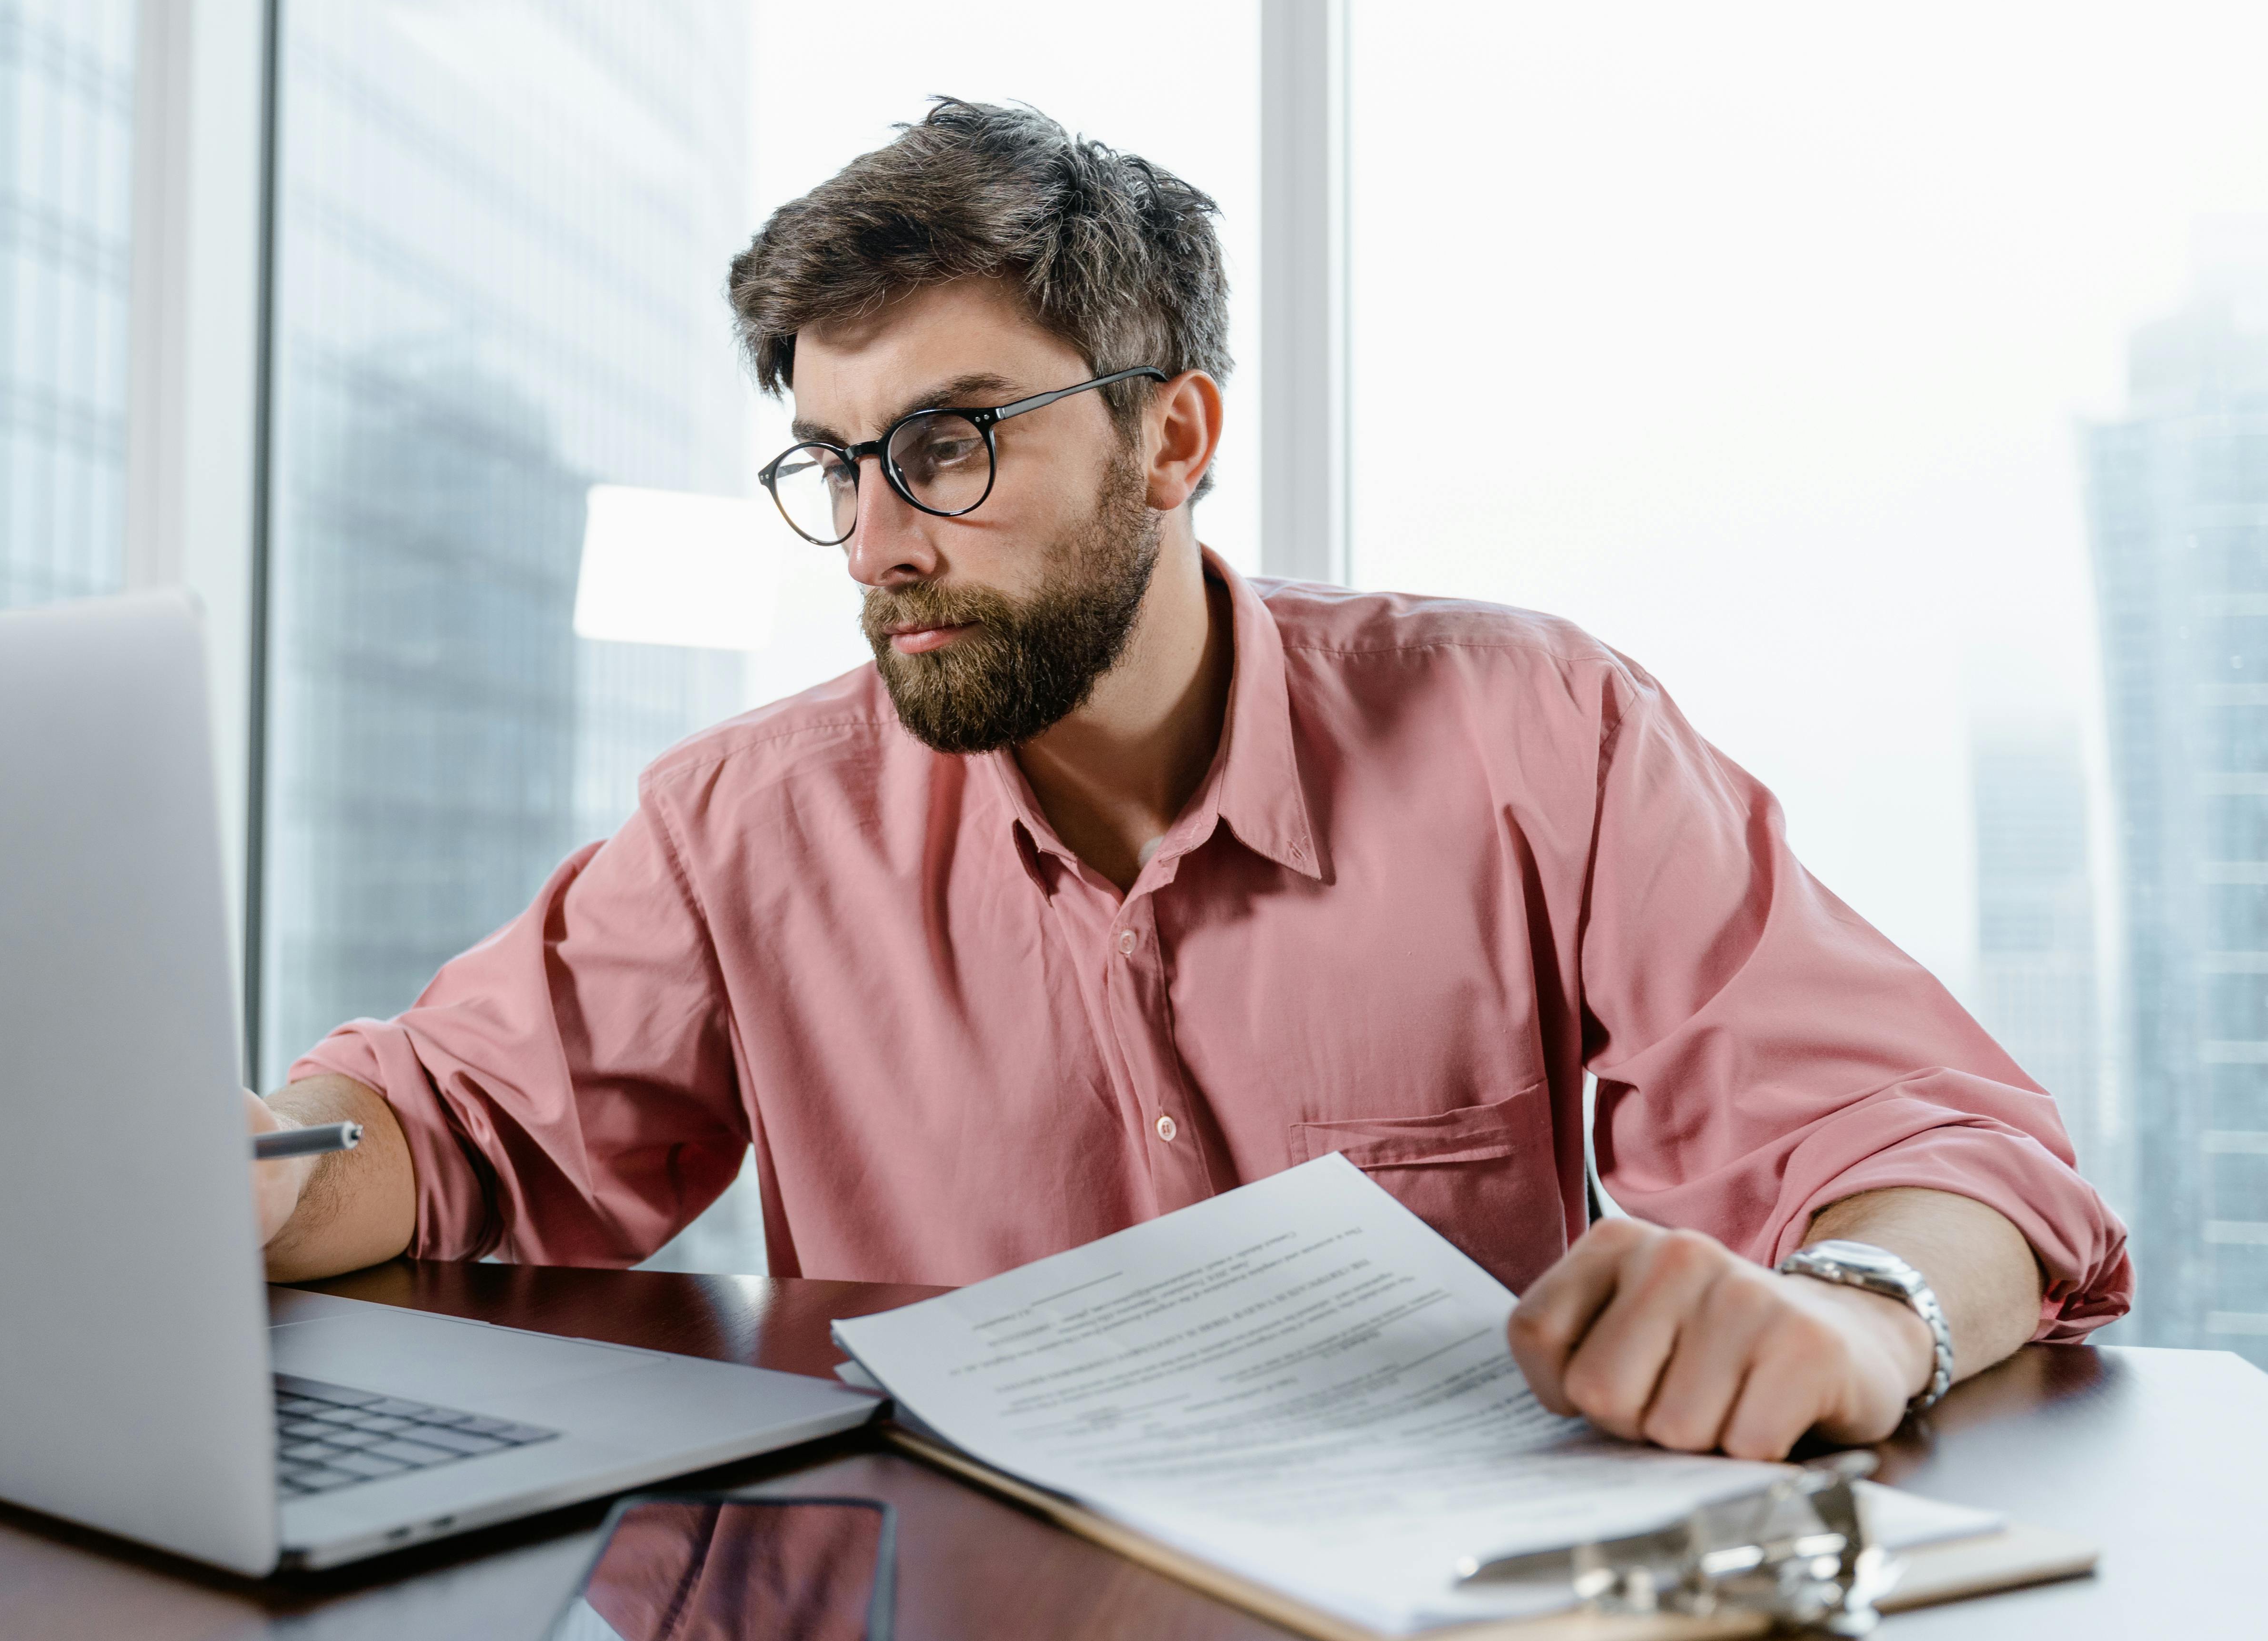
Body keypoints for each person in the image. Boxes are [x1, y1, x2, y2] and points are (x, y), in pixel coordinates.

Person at [247, 100, 2128, 1462]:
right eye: (834, 462)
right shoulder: (748, 822)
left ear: (1174, 435)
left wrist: (1860, 1314)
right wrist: (226, 1171)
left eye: (948, 443)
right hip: (962, 1632)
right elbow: (440, 1125)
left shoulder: (1533, 734)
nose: (874, 540)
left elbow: (1937, 1146)